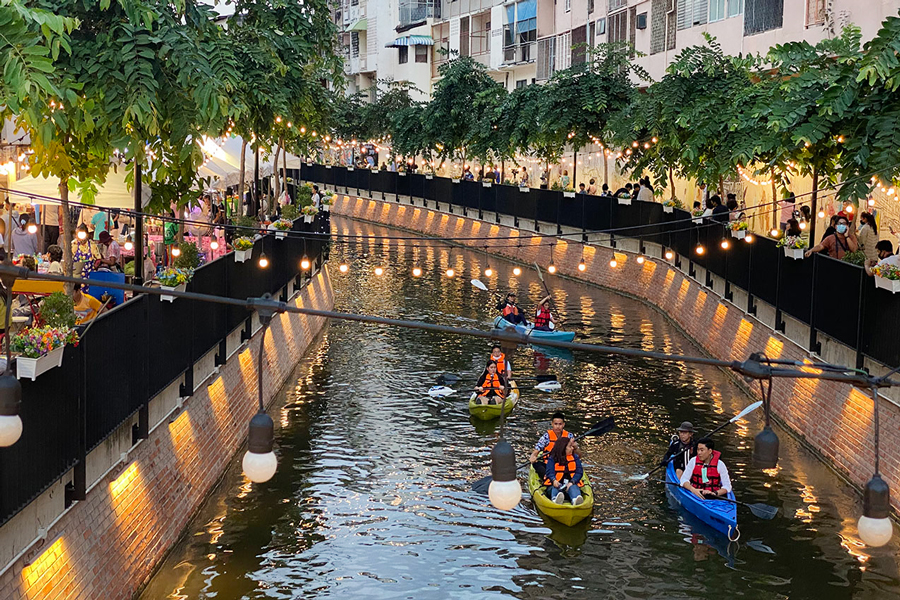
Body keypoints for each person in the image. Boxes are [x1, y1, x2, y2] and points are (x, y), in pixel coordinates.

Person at [544, 437, 585, 505]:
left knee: (574, 487)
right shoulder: (552, 459)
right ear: (563, 448)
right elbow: (550, 472)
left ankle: (575, 500)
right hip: (557, 484)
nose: (572, 448)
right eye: (570, 447)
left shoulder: (575, 457)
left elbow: (579, 472)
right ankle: (555, 499)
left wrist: (572, 482)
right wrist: (554, 480)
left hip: (570, 484)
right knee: (555, 488)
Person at [530, 412, 572, 479]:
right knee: (536, 464)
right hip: (549, 464)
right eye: (555, 424)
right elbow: (537, 449)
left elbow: (578, 454)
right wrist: (533, 456)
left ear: (563, 424)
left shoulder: (569, 436)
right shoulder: (546, 436)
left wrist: (574, 447)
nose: (558, 427)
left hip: (564, 464)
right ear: (552, 424)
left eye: (560, 424)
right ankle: (547, 476)